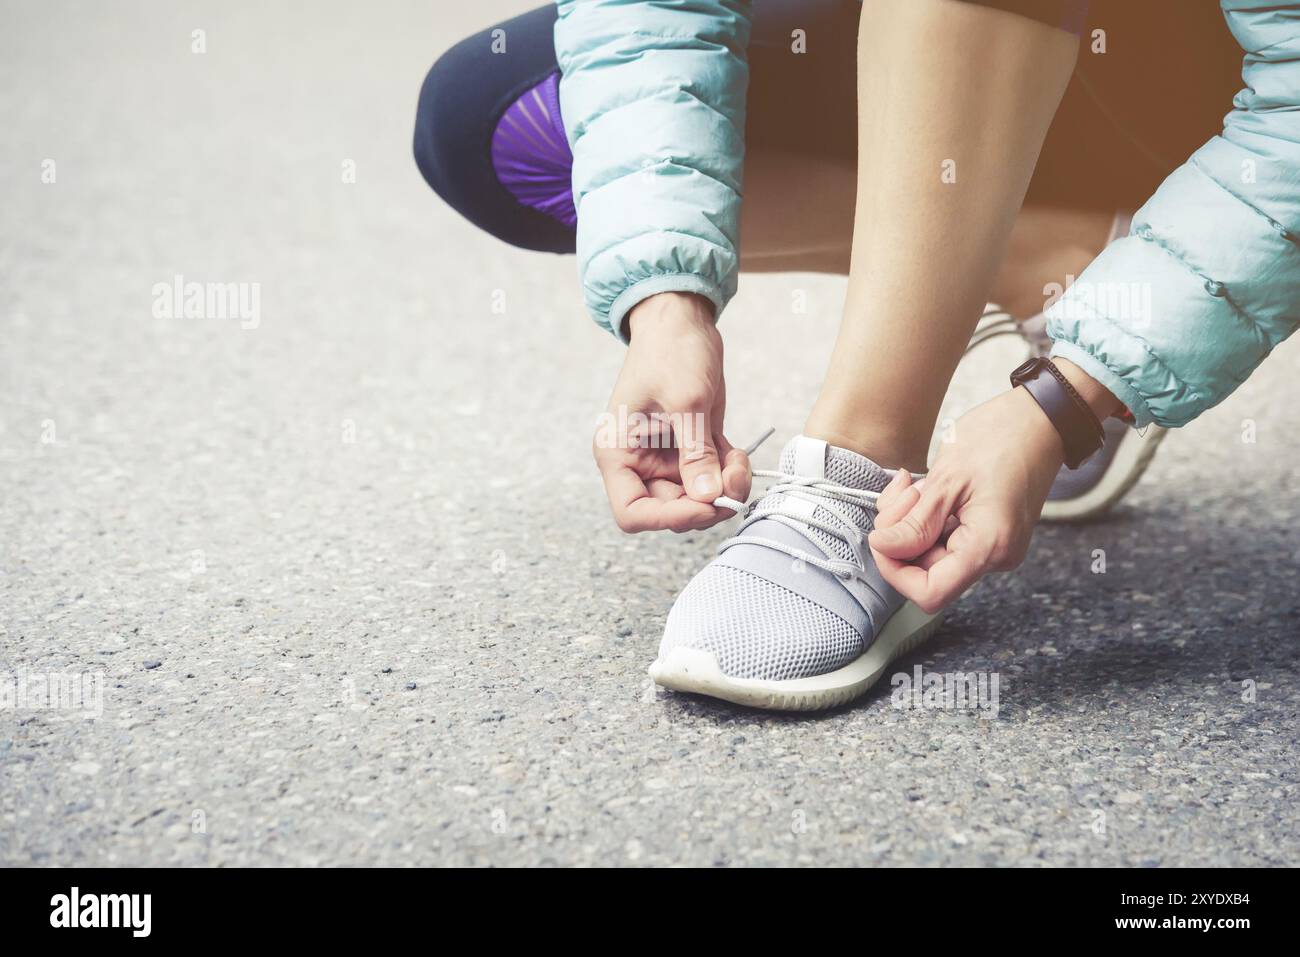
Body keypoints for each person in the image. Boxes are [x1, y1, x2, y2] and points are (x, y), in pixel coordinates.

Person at [414, 0, 1299, 709]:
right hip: (976, 65)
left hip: (1222, 86)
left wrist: (1067, 397)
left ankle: (864, 450)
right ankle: (1071, 261)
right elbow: (645, 19)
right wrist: (665, 304)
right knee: (501, 117)